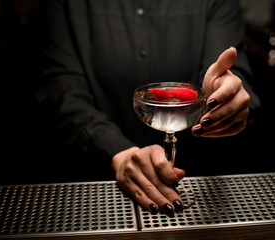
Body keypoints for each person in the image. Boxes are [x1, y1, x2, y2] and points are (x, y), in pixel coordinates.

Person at [36, 0, 261, 215]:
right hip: (94, 193)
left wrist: (224, 96)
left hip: (203, 189)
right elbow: (61, 89)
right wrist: (117, 150)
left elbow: (228, 69)